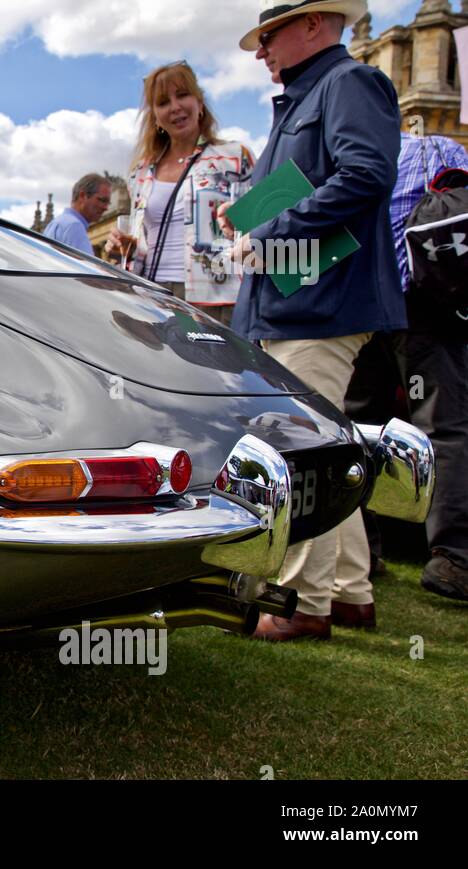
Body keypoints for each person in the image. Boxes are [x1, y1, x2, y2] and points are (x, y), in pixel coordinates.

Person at [220, 0, 404, 641]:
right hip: (294, 299)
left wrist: (267, 228)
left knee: (304, 452)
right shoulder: (307, 97)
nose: (261, 51)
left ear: (312, 25)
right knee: (331, 448)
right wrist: (247, 217)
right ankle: (351, 594)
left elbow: (364, 175)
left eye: (268, 36)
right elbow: (312, 181)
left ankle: (302, 606)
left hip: (321, 300)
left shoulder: (348, 82)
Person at [347, 132, 468, 602]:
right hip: (428, 305)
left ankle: (363, 551)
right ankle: (454, 557)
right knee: (445, 428)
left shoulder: (354, 150)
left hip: (363, 306)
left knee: (361, 427)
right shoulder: (440, 148)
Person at [105, 61, 256, 327]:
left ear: (199, 103)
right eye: (163, 102)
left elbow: (258, 225)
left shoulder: (234, 157)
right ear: (155, 115)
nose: (175, 107)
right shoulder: (141, 171)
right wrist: (126, 248)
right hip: (151, 295)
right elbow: (144, 240)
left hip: (214, 297)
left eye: (183, 95)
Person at [44, 174, 112, 255]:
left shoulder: (56, 223)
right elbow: (87, 267)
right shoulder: (74, 226)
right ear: (83, 196)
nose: (106, 208)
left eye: (108, 203)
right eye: (103, 200)